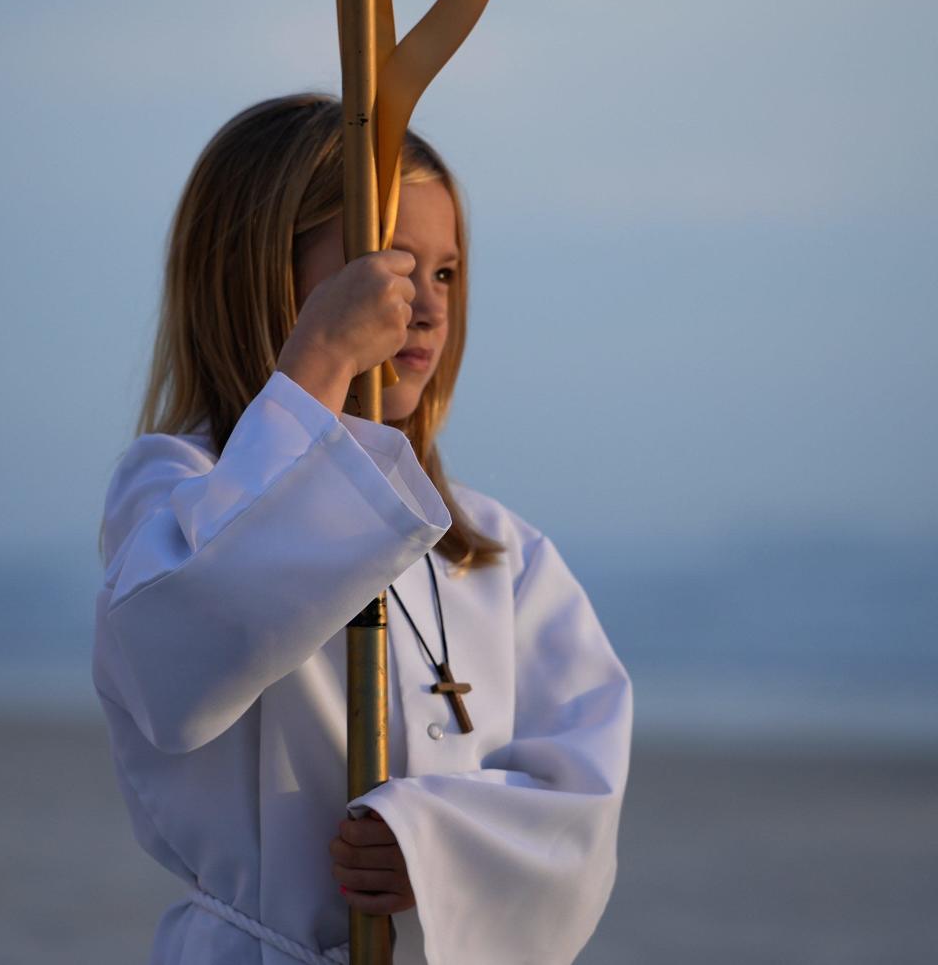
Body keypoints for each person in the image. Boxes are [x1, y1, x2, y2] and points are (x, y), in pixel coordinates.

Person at [92, 93, 633, 965]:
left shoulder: (499, 552)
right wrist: (320, 367)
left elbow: (582, 794)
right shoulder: (173, 490)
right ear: (260, 271)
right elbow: (175, 667)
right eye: (387, 265)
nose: (422, 303)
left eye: (446, 271)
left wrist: (436, 846)